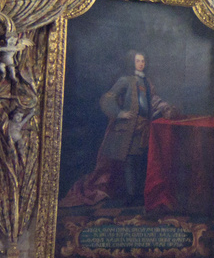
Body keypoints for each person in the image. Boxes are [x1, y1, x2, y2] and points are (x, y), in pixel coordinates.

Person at [61, 51, 176, 207]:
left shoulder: (147, 82)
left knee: (141, 160)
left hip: (144, 128)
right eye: (138, 61)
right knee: (129, 161)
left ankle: (140, 194)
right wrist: (119, 113)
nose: (141, 63)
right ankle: (130, 195)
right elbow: (107, 99)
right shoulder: (125, 80)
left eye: (143, 61)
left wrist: (165, 107)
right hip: (128, 129)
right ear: (132, 62)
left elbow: (154, 100)